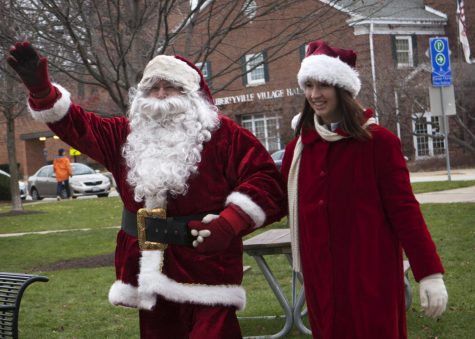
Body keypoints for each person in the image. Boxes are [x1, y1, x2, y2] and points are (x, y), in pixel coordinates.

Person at [8, 41, 286, 338]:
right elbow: (77, 124)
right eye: (154, 87)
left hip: (207, 266)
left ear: (193, 95)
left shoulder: (225, 136)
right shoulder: (123, 135)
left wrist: (229, 223)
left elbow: (266, 180)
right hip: (149, 268)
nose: (162, 94)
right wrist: (42, 91)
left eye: (172, 86)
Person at [281, 40, 448, 339]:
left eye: (324, 86)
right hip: (321, 282)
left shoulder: (378, 143)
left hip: (370, 278)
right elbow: (276, 199)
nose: (315, 95)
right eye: (309, 85)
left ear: (343, 90)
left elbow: (404, 211)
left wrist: (429, 273)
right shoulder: (300, 148)